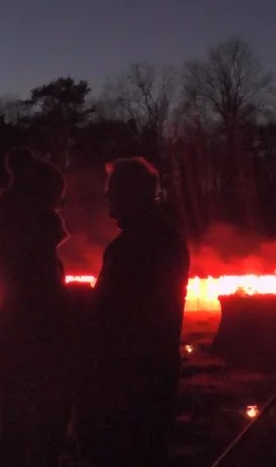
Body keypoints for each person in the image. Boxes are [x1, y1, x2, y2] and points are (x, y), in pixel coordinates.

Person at [76, 157, 191, 466]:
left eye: (111, 189)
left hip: (129, 373)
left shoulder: (135, 245)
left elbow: (118, 309)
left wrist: (79, 304)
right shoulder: (162, 238)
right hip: (152, 367)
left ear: (131, 193)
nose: (106, 195)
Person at [0, 147, 73, 467]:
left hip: (10, 322)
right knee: (42, 410)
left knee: (14, 408)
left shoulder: (1, 214)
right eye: (56, 199)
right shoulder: (34, 227)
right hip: (38, 329)